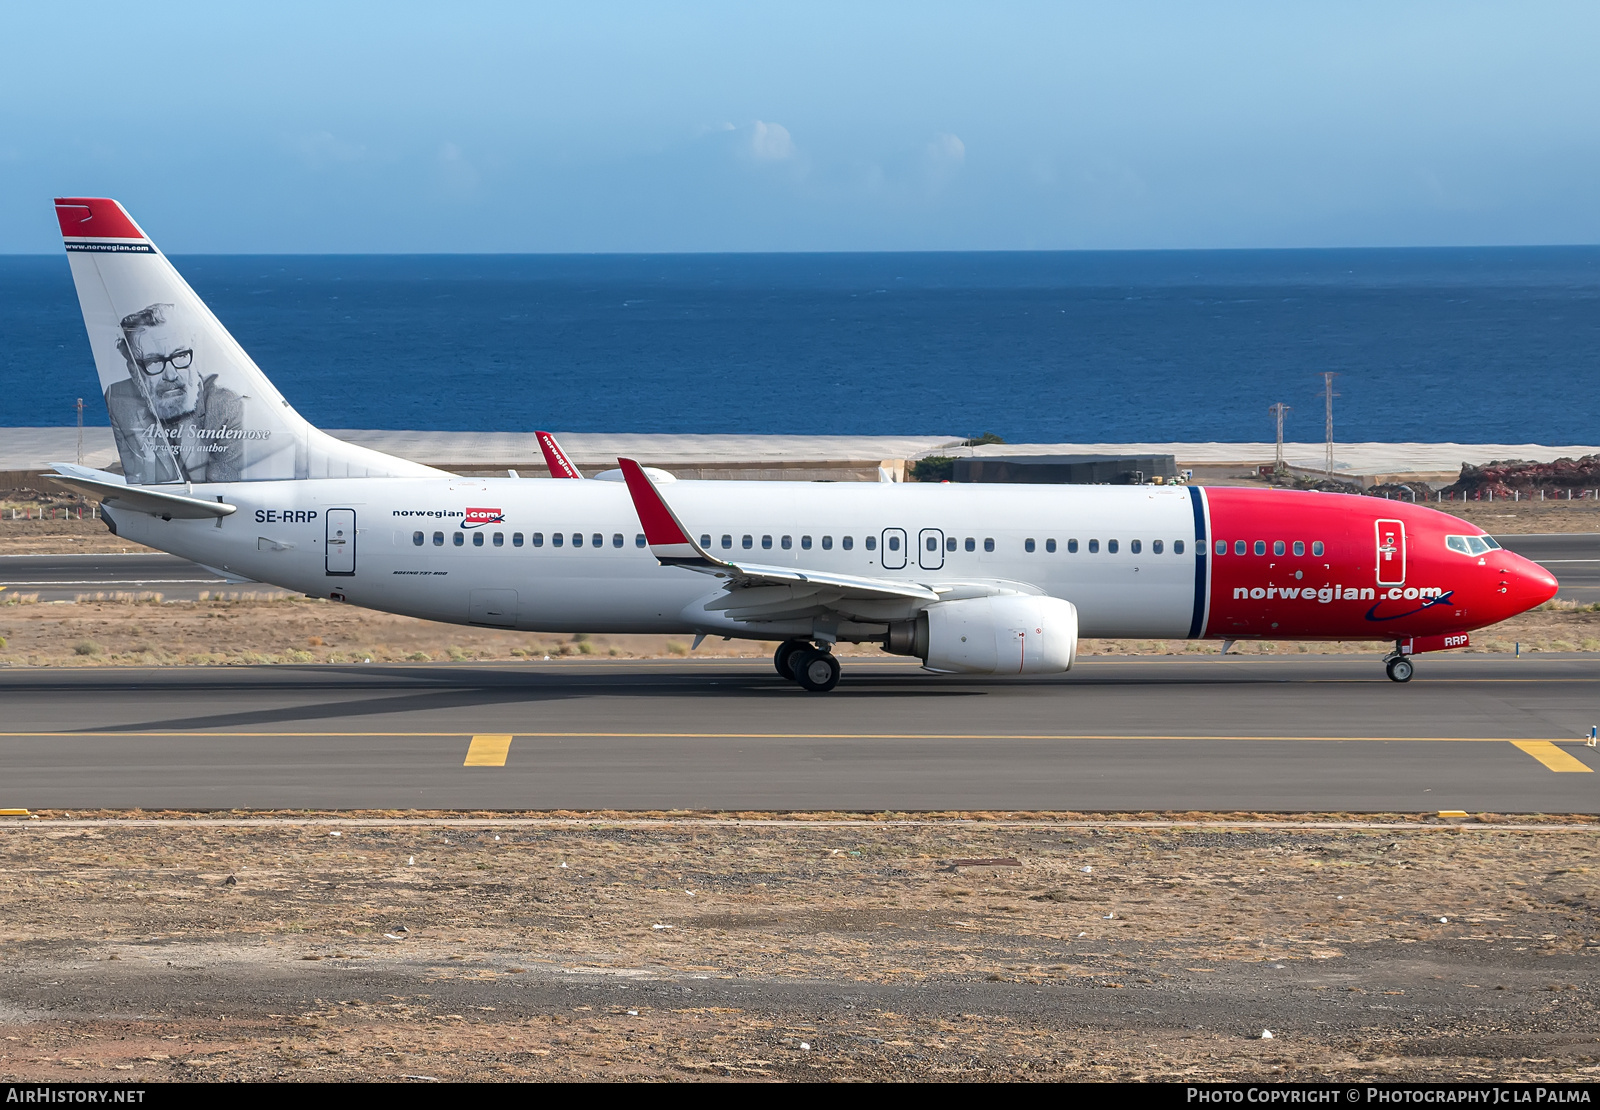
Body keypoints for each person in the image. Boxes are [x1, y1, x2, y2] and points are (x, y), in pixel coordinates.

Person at [105, 304, 245, 483]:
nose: (170, 375)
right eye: (153, 361)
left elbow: (222, 489)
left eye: (180, 356)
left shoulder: (226, 407)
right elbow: (139, 480)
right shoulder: (119, 401)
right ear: (133, 370)